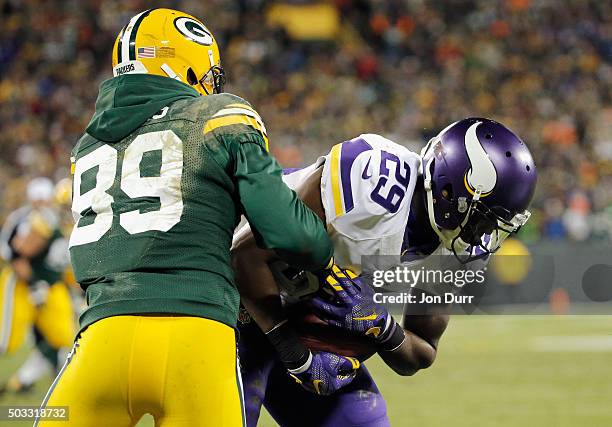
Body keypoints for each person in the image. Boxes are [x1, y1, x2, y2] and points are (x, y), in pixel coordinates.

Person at [37, 8, 357, 427]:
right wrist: (325, 254)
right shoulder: (219, 117)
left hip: (101, 340)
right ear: (182, 60)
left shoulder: (87, 146)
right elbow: (292, 236)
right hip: (196, 337)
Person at [232, 118, 537, 426]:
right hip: (238, 300)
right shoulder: (373, 181)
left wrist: (382, 327)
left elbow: (420, 352)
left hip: (305, 334)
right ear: (448, 191)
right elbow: (244, 257)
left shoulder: (456, 249)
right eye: (483, 220)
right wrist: (297, 358)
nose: (482, 237)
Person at [0, 177, 76, 394]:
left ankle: (21, 381)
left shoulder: (87, 223)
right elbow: (19, 251)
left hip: (53, 284)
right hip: (28, 283)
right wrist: (33, 284)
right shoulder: (48, 219)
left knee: (62, 337)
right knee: (7, 342)